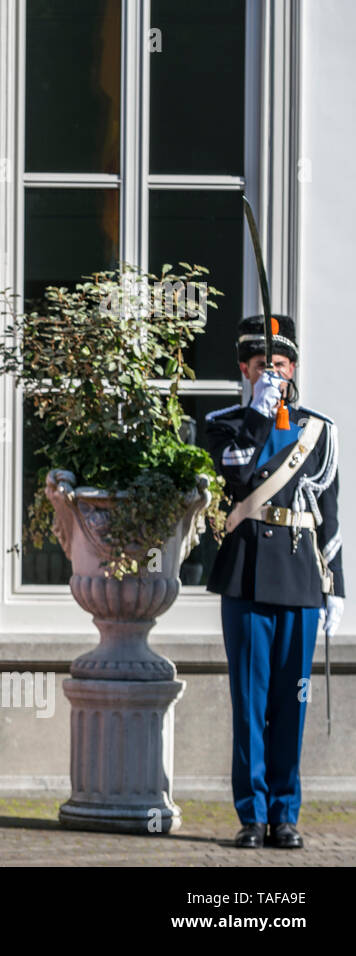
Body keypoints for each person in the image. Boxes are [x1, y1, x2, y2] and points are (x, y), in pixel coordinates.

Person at [204, 313, 343, 850]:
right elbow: (235, 476)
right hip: (247, 574)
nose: (275, 374)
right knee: (250, 702)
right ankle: (252, 813)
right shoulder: (227, 423)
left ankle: (286, 813)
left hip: (302, 575)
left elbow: (329, 514)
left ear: (294, 367)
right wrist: (260, 419)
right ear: (246, 369)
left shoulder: (319, 431)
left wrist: (337, 588)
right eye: (264, 366)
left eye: (282, 365)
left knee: (292, 703)